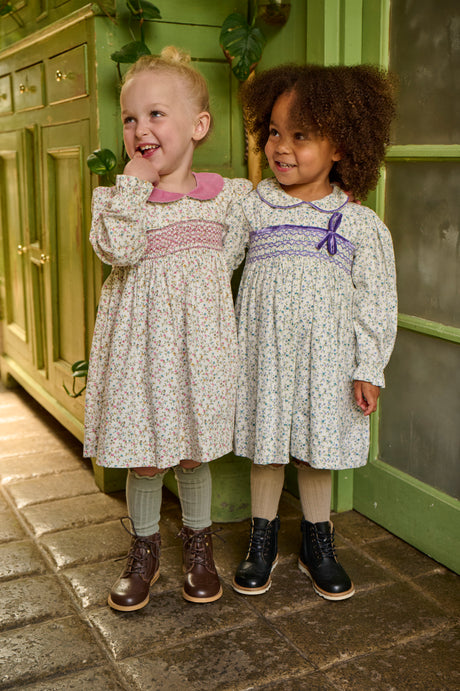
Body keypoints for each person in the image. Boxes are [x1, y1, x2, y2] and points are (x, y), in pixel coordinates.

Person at [83, 46, 252, 611]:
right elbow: (119, 250)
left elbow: (232, 258)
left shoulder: (227, 198)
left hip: (199, 351)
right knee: (146, 455)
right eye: (130, 118)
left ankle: (199, 547)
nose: (140, 129)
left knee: (194, 454)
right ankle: (145, 550)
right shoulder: (117, 200)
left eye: (156, 114)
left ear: (198, 126)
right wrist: (133, 186)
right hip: (140, 352)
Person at [231, 63, 398, 601]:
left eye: (300, 135)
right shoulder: (253, 207)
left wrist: (368, 367)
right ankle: (261, 539)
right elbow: (213, 264)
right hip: (265, 354)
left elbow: (375, 301)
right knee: (267, 447)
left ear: (341, 148)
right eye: (274, 131)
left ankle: (317, 542)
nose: (281, 147)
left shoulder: (357, 222)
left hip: (327, 360)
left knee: (316, 449)